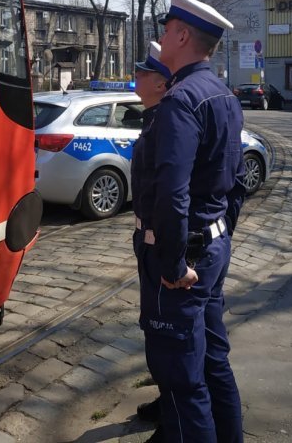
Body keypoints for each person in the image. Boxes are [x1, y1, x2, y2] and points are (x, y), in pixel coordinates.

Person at [139, 0, 246, 443]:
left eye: (166, 31)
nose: (162, 38)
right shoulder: (224, 95)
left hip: (185, 260)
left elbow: (173, 192)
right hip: (212, 246)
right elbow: (236, 183)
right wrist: (220, 238)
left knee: (181, 380)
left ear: (182, 35)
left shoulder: (182, 101)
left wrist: (173, 261)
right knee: (212, 360)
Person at [129, 41, 171, 425]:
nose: (136, 75)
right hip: (147, 239)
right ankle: (167, 399)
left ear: (160, 83)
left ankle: (172, 411)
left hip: (160, 244)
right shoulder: (152, 118)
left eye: (143, 72)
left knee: (164, 330)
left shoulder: (166, 123)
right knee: (154, 326)